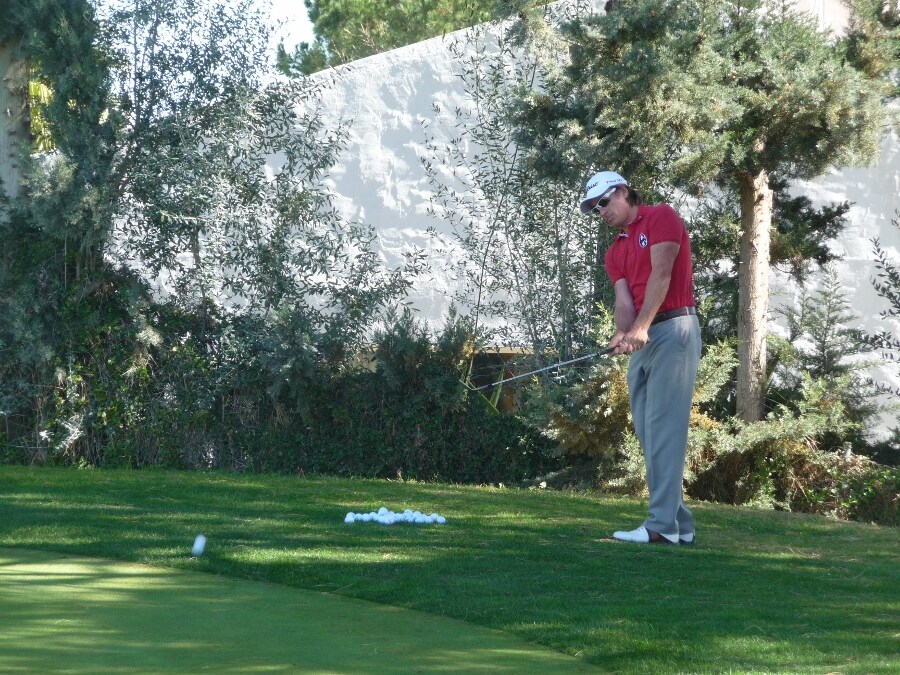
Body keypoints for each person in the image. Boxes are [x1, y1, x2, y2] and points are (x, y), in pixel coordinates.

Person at [579, 171, 701, 545]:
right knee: (649, 434)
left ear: (622, 191)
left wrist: (642, 327)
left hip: (675, 329)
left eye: (603, 202)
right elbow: (624, 301)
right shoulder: (614, 251)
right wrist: (624, 332)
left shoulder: (661, 216)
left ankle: (661, 527)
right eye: (594, 208)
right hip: (645, 337)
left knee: (664, 429)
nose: (601, 211)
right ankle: (681, 525)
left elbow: (661, 276)